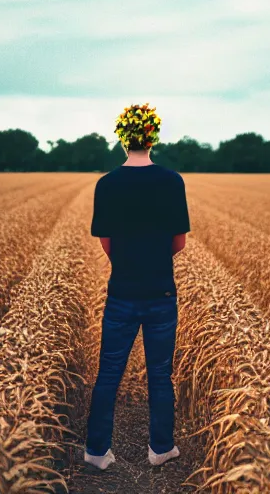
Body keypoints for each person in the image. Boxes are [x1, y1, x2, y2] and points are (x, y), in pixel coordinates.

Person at [84, 103, 190, 470]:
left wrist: (128, 264)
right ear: (153, 137)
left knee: (108, 374)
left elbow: (106, 241)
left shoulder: (107, 184)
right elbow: (179, 242)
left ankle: (96, 452)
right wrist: (153, 261)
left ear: (122, 138)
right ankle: (160, 449)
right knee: (160, 375)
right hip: (161, 292)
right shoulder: (172, 181)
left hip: (121, 293)